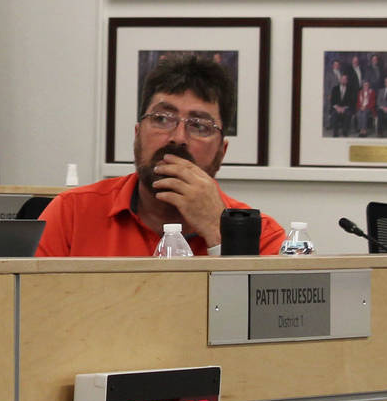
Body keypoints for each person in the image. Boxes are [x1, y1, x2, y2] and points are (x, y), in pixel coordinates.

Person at [36, 53, 284, 257]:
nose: (178, 137)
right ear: (137, 134)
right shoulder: (72, 215)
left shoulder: (264, 237)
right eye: (162, 119)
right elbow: (26, 310)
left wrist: (219, 232)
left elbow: (252, 316)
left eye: (199, 125)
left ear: (222, 152)